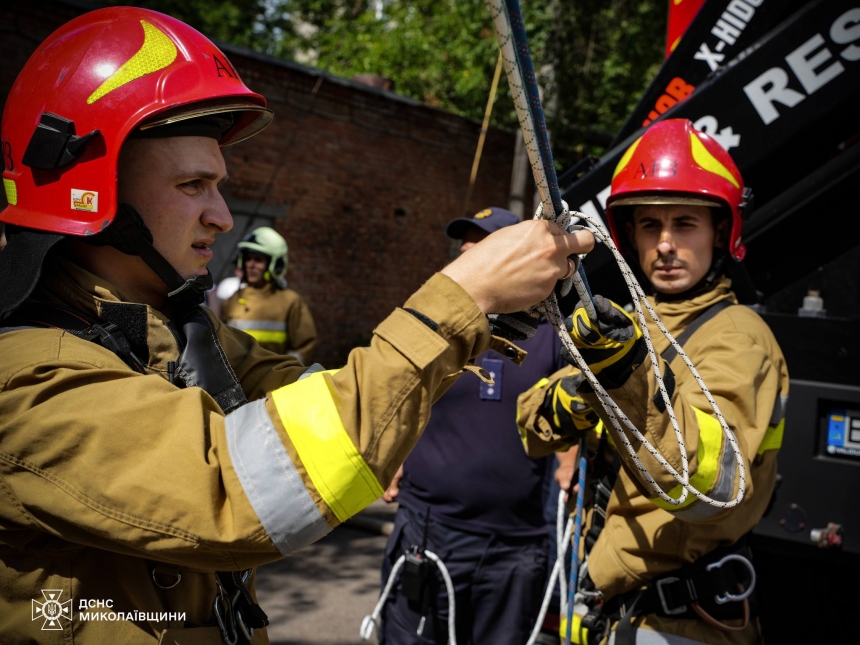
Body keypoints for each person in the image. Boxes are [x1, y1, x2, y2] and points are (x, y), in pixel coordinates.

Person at [0, 8, 594, 644]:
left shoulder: (176, 333)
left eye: (219, 185)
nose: (223, 217)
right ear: (93, 194)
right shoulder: (26, 379)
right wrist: (460, 297)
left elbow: (320, 402)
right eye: (193, 184)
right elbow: (238, 494)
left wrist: (485, 317)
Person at [517, 118, 788, 645]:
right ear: (629, 238)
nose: (664, 245)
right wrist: (579, 394)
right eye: (650, 227)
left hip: (678, 619)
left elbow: (709, 487)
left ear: (721, 232)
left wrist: (623, 379)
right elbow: (530, 429)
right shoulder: (636, 325)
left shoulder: (737, 338)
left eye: (685, 224)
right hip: (609, 608)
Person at [379, 207, 567, 645]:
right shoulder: (432, 326)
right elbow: (401, 393)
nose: (465, 265)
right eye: (463, 253)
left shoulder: (554, 336)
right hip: (426, 530)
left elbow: (568, 421)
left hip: (515, 548)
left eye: (480, 252)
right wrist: (392, 456)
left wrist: (568, 467)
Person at [221, 226, 317, 363]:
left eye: (258, 260)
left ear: (276, 264)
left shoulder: (290, 301)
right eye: (248, 259)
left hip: (275, 379)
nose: (251, 265)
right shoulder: (232, 300)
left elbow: (305, 345)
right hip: (236, 378)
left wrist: (285, 370)